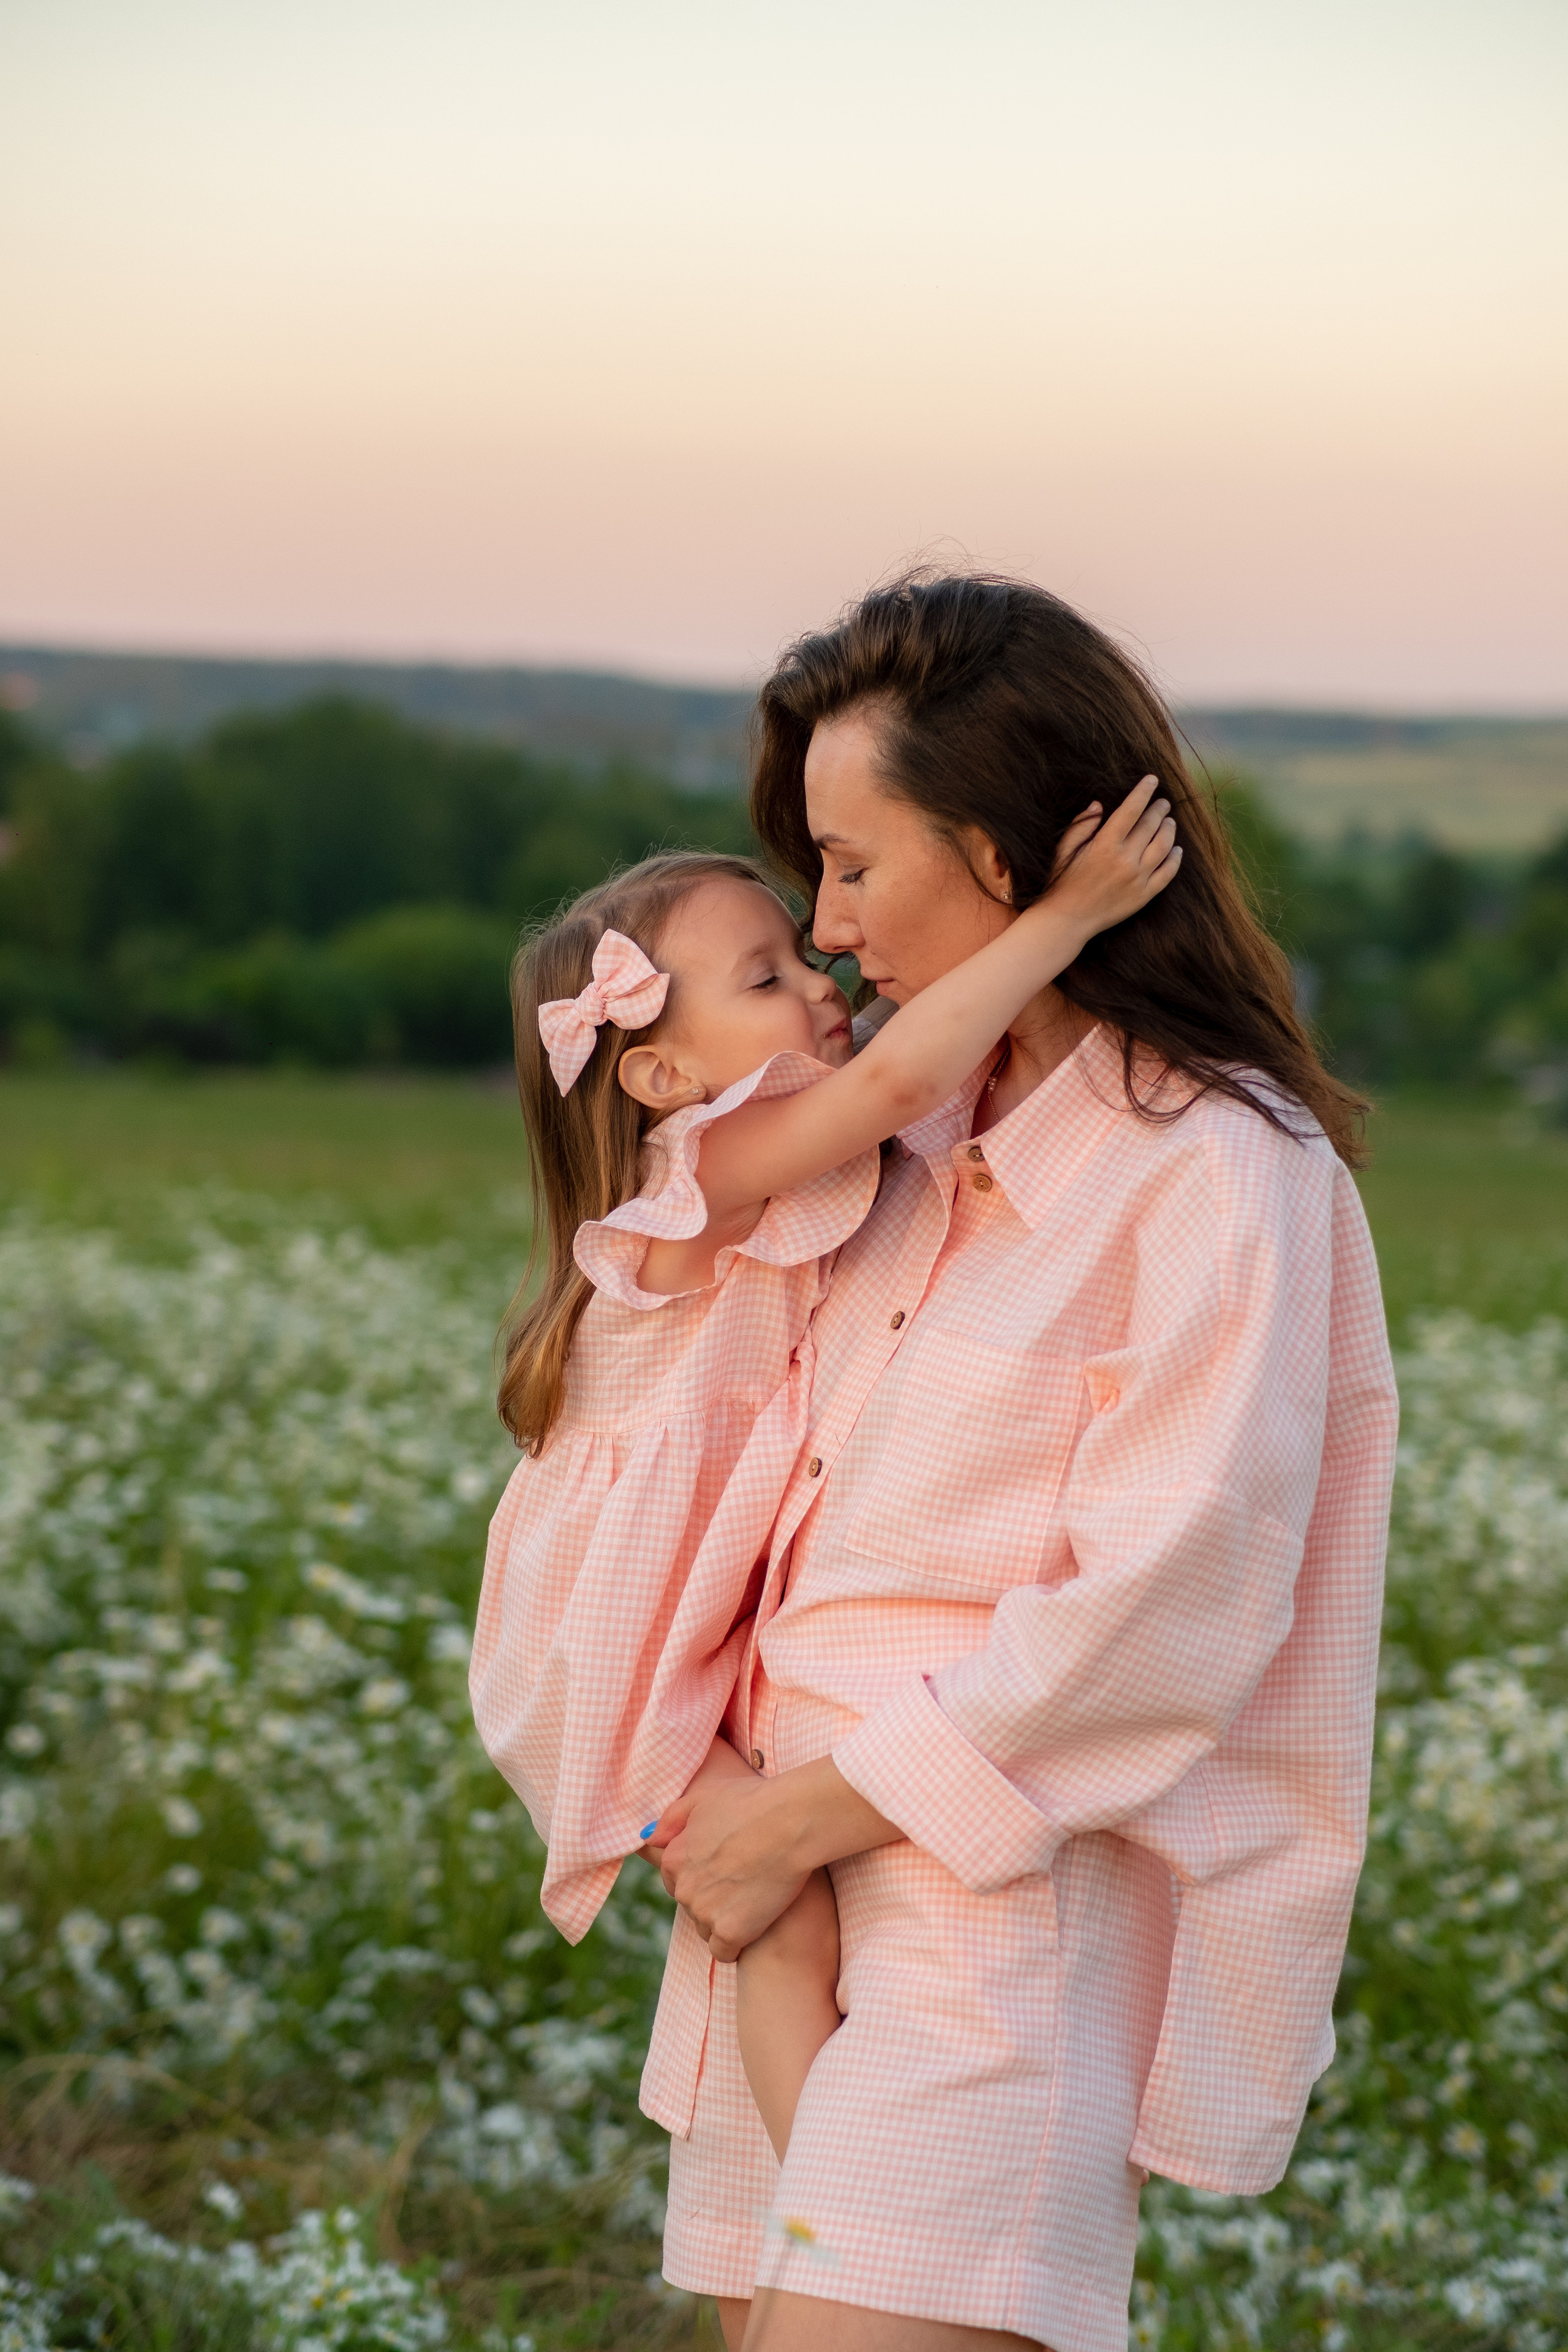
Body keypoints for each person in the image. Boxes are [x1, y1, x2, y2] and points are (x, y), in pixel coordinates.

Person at [642, 574, 1399, 2352]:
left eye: (851, 862)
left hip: (996, 1933)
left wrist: (793, 1827)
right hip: (788, 1911)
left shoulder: (1218, 1171)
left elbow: (1171, 1596)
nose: (822, 927)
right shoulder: (895, 1147)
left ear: (1007, 858)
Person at [471, 791, 1180, 2162]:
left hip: (673, 1617)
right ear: (657, 1079)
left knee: (783, 1915)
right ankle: (829, 2210)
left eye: (804, 951)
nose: (826, 977)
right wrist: (1066, 916)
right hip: (614, 1632)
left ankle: (825, 2201)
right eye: (766, 979)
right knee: (783, 1917)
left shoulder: (755, 1172)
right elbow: (902, 1086)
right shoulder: (708, 1162)